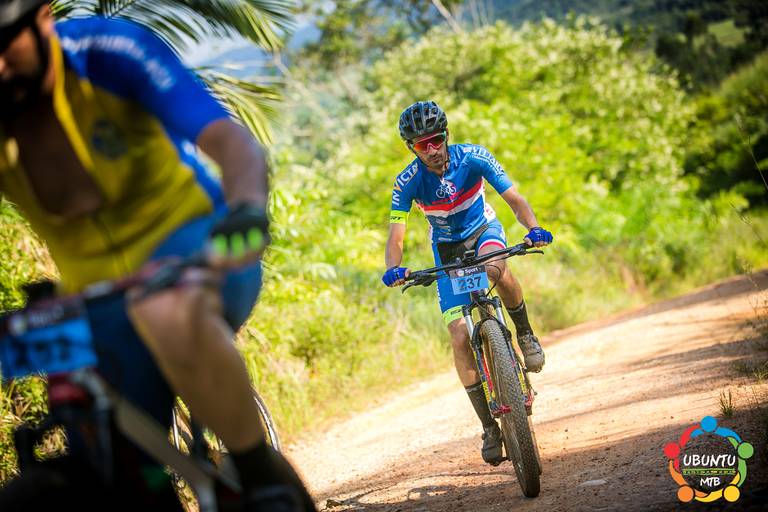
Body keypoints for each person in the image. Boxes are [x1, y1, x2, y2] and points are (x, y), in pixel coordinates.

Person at [0, 1, 315, 510]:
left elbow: (230, 141)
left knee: (164, 309)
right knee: (105, 455)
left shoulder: (107, 52)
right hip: (93, 295)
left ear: (43, 17)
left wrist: (247, 208)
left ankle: (262, 479)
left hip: (194, 245)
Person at [382, 101, 553, 466]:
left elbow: (514, 199)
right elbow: (396, 234)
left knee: (496, 267)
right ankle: (489, 427)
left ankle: (524, 334)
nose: (431, 149)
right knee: (459, 335)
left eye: (436, 139)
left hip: (483, 230)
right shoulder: (407, 182)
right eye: (422, 144)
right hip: (446, 249)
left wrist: (533, 228)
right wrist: (393, 268)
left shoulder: (474, 157)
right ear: (411, 148)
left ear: (446, 135)